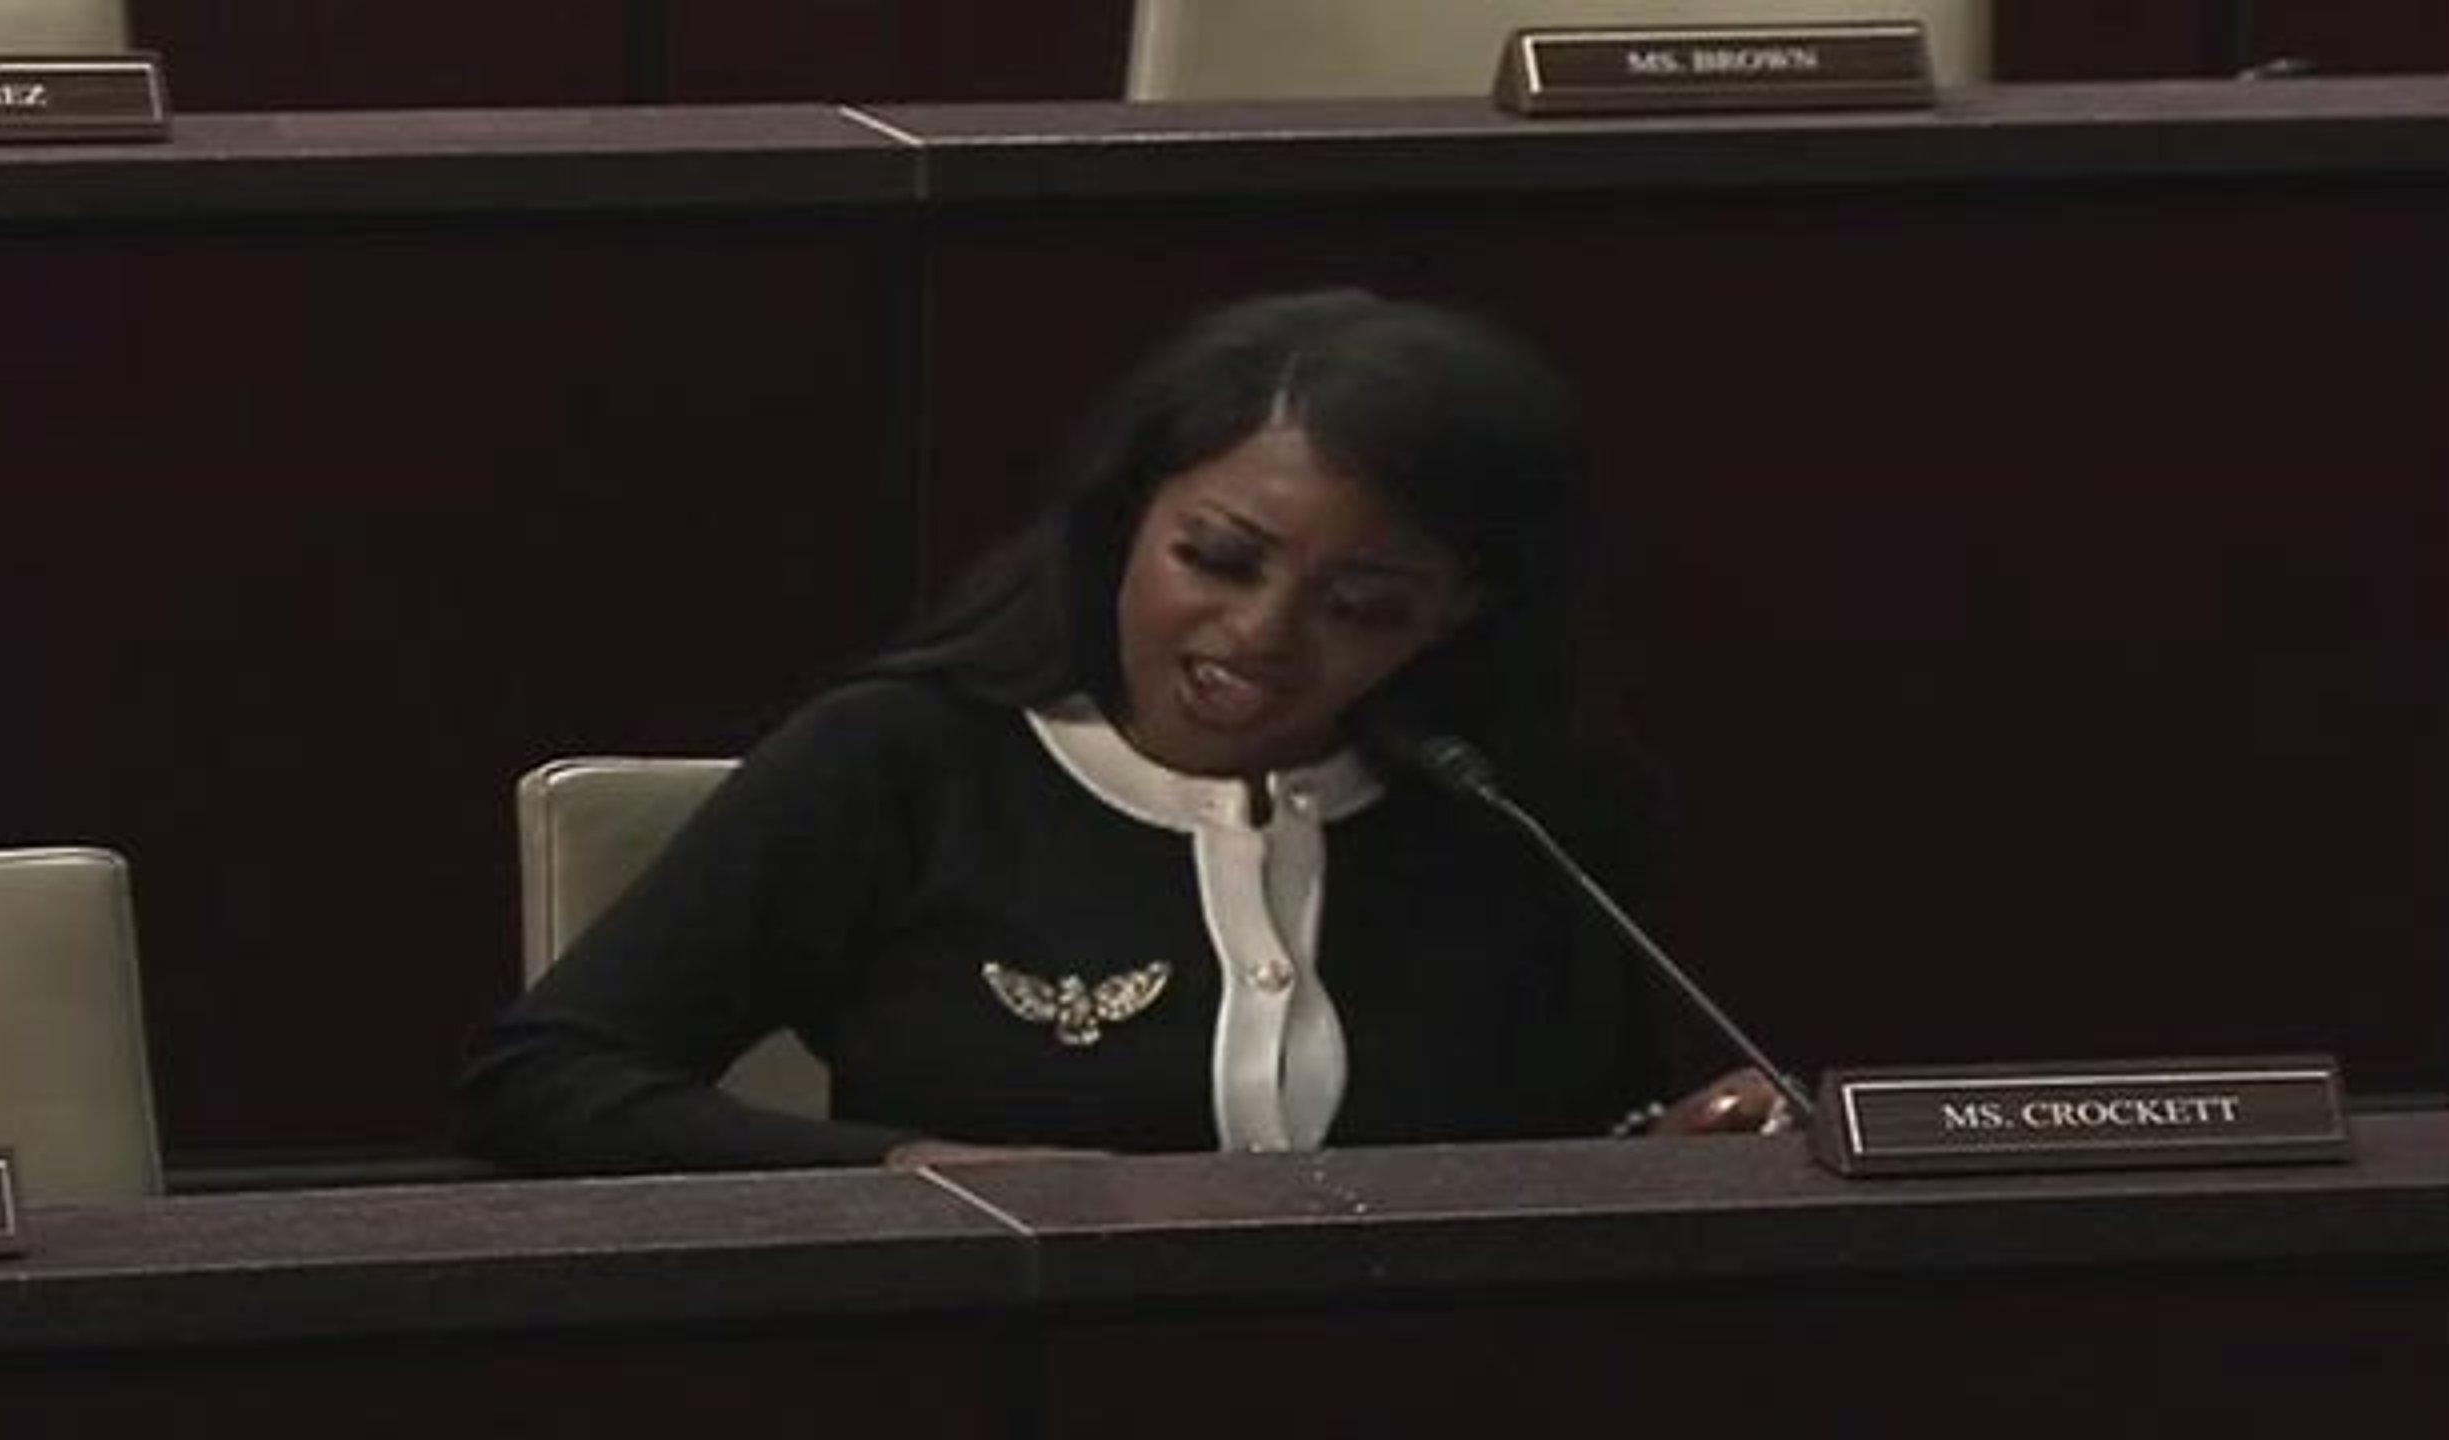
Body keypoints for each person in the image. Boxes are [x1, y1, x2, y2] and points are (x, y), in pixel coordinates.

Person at [455, 288, 1788, 1175]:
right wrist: (912, 1174)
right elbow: (547, 1080)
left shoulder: (1523, 806)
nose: (1262, 634)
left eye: (1363, 604)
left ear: (1458, 613)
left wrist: (1681, 1141)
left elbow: (1582, 1139)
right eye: (1217, 558)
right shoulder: (908, 761)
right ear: (1127, 518)